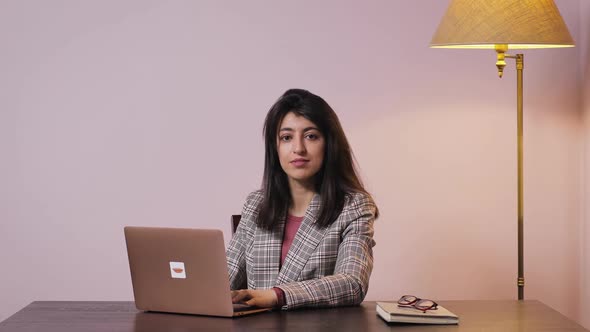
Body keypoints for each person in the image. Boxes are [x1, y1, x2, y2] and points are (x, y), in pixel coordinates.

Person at [226, 88, 379, 310]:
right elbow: (226, 277)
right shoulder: (256, 204)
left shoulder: (353, 206)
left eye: (311, 136)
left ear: (329, 144)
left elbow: (352, 283)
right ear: (275, 147)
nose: (298, 148)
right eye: (286, 137)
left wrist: (276, 296)